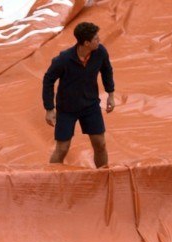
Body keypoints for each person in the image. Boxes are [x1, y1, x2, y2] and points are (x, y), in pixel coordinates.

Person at [42, 21, 116, 168]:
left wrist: (111, 95)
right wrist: (49, 108)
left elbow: (107, 71)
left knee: (100, 143)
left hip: (90, 106)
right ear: (86, 43)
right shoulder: (63, 59)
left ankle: (104, 177)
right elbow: (48, 80)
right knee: (62, 148)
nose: (99, 41)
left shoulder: (100, 52)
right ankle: (51, 178)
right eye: (96, 39)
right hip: (67, 109)